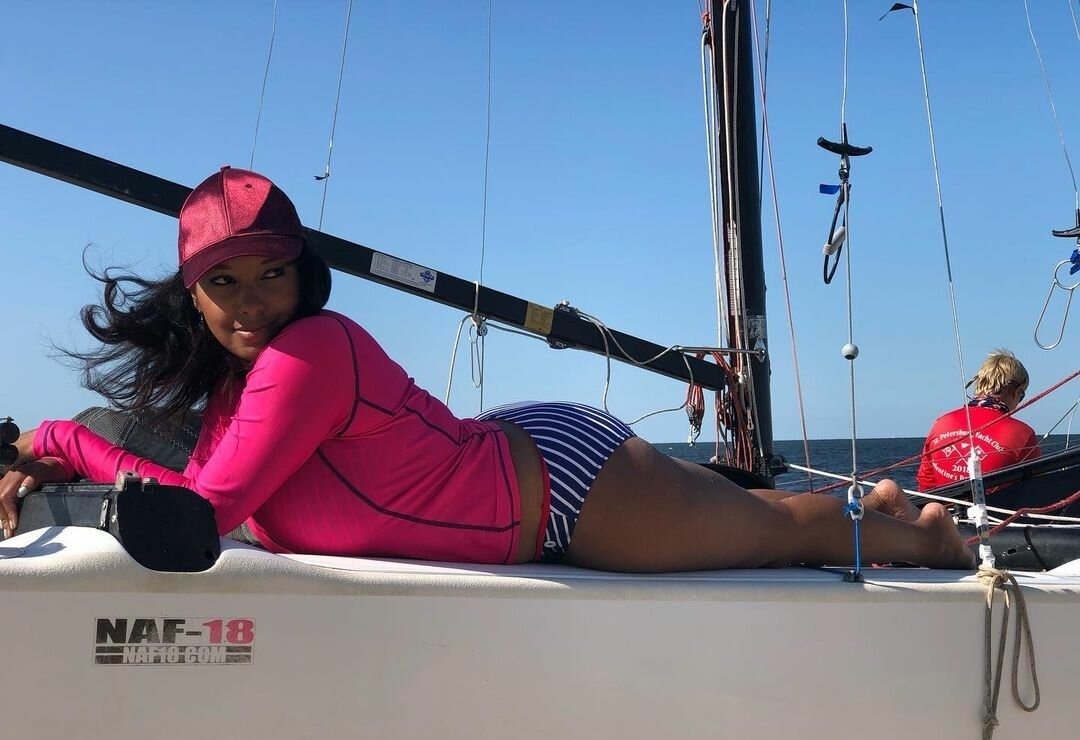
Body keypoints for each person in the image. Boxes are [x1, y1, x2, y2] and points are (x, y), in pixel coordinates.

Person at [0, 166, 975, 571]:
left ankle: (928, 534)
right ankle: (887, 500)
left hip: (567, 493)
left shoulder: (310, 349)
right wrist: (56, 451)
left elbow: (202, 514)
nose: (252, 302)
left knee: (786, 533)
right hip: (510, 463)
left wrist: (63, 440)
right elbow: (189, 495)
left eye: (272, 274)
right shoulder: (232, 393)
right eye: (225, 282)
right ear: (193, 294)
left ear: (303, 275)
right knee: (757, 514)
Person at [915, 350, 1041, 492]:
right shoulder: (1023, 434)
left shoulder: (942, 423)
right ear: (1016, 392)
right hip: (996, 506)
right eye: (1021, 395)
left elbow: (926, 483)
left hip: (940, 506)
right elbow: (1033, 490)